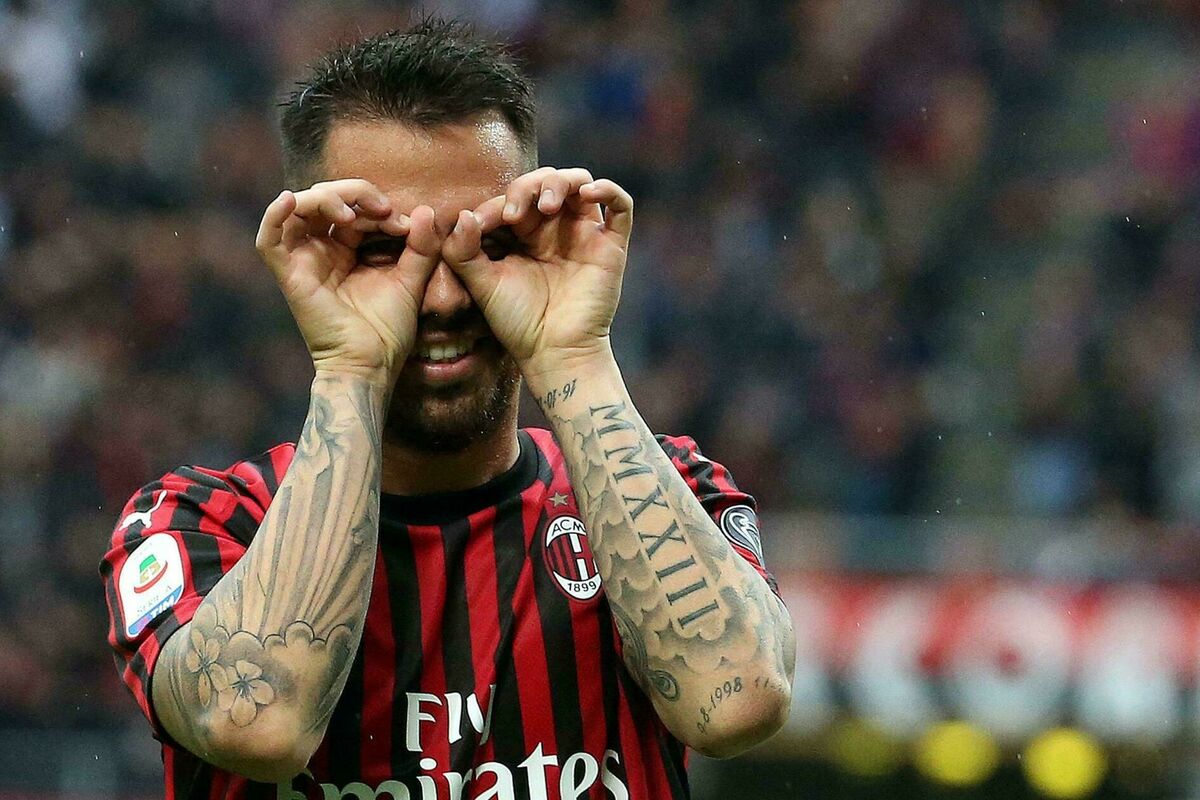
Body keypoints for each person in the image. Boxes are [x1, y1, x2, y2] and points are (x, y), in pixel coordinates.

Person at [100, 18, 796, 800]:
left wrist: (575, 355)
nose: (438, 297)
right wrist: (352, 368)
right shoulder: (197, 524)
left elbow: (734, 705)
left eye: (485, 244)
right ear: (307, 259)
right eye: (381, 250)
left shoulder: (665, 490)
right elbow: (261, 727)